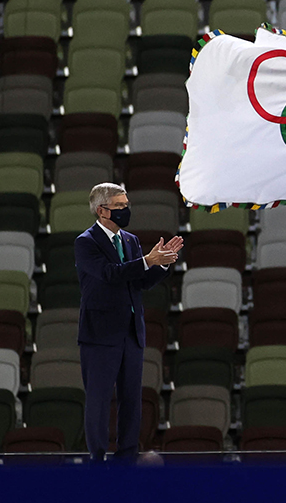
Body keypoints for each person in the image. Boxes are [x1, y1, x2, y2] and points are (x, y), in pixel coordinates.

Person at [75, 183, 183, 464]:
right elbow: (109, 274)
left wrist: (162, 264)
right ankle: (97, 459)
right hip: (100, 334)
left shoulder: (131, 241)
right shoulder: (86, 242)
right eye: (119, 206)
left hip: (131, 332)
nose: (126, 210)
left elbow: (139, 281)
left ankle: (126, 457)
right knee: (99, 401)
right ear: (101, 210)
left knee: (131, 399)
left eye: (126, 205)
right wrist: (148, 260)